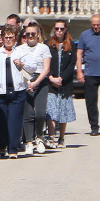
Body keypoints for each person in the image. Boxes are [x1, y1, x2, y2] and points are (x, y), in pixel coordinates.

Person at [18, 24, 52, 155]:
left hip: (40, 80)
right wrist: (27, 83)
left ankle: (39, 137)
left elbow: (46, 68)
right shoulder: (20, 49)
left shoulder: (44, 48)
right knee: (28, 114)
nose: (30, 36)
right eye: (28, 34)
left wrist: (36, 82)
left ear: (38, 34)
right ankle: (29, 142)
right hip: (25, 81)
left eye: (33, 34)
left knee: (40, 113)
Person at [0, 25, 27, 158]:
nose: (8, 40)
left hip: (17, 90)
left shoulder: (21, 51)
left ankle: (13, 149)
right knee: (1, 121)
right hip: (0, 91)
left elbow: (32, 67)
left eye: (11, 37)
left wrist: (22, 64)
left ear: (15, 38)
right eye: (6, 37)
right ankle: (3, 145)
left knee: (14, 121)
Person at [45, 20, 77, 148]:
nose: (59, 31)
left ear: (65, 30)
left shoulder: (71, 45)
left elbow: (71, 65)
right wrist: (51, 77)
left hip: (65, 84)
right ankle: (51, 137)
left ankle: (62, 138)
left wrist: (62, 78)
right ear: (54, 29)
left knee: (63, 111)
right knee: (51, 110)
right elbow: (45, 63)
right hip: (51, 82)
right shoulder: (48, 44)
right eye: (57, 29)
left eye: (61, 29)